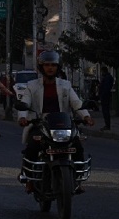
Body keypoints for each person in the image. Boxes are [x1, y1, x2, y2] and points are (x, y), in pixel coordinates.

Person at [18, 51, 93, 190]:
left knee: (77, 146)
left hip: (63, 124)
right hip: (40, 123)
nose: (50, 68)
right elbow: (25, 103)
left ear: (58, 67)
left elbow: (76, 102)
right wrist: (22, 117)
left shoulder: (65, 85)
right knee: (32, 147)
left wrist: (86, 116)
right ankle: (29, 178)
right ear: (42, 67)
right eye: (47, 65)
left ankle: (77, 179)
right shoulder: (32, 85)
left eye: (53, 65)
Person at [99, 66, 114, 130]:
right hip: (105, 96)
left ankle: (107, 125)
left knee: (105, 111)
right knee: (105, 111)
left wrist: (102, 95)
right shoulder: (107, 77)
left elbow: (106, 88)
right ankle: (107, 125)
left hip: (105, 96)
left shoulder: (107, 78)